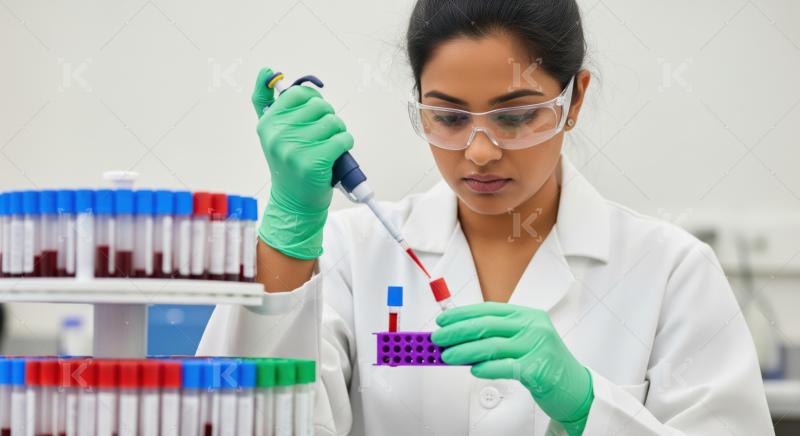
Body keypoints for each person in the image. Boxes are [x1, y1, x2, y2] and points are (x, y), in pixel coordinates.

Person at [198, 0, 773, 434]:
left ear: (574, 101)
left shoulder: (669, 271)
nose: (479, 152)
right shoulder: (355, 254)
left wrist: (588, 410)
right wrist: (290, 230)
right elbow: (236, 422)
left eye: (516, 116)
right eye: (447, 117)